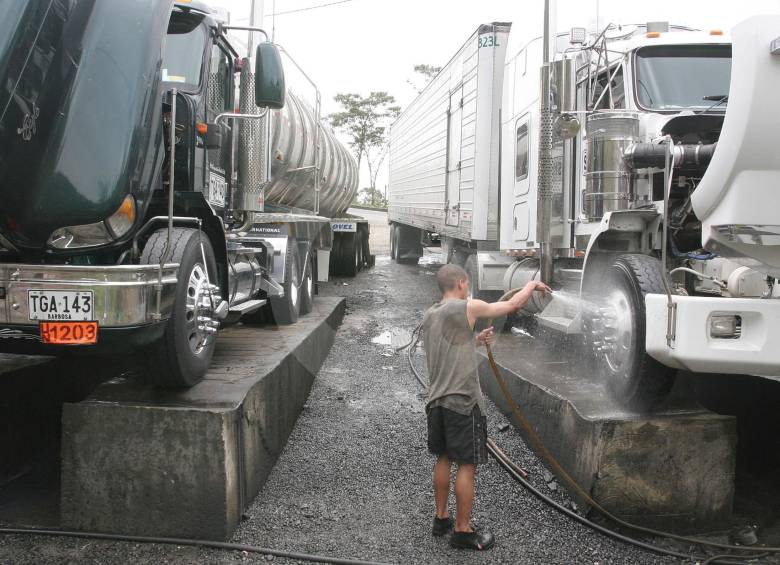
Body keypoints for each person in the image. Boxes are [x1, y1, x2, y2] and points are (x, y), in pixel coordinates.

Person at [422, 263, 550, 550]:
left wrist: (475, 341)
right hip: (462, 403)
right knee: (467, 464)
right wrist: (531, 286)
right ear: (461, 283)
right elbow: (511, 305)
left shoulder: (430, 315)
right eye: (467, 285)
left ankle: (441, 518)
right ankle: (463, 531)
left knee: (443, 458)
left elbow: (449, 350)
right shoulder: (467, 307)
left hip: (437, 402)